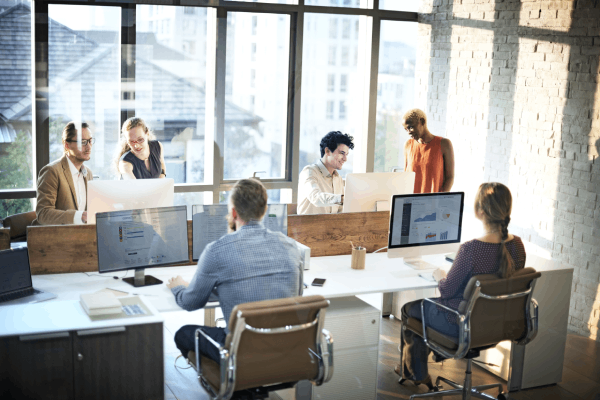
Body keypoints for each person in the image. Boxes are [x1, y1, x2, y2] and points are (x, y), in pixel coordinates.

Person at [397, 182, 526, 389]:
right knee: (423, 311)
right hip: (498, 325)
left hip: (459, 323)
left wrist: (440, 275)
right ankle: (421, 365)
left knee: (409, 310)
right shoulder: (517, 245)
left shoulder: (471, 249)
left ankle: (416, 372)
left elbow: (447, 290)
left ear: (479, 211)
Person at [166, 178, 303, 364]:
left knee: (183, 334)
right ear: (264, 211)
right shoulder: (290, 245)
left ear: (233, 212)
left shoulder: (216, 250)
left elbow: (191, 303)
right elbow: (298, 294)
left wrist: (179, 288)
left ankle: (228, 381)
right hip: (284, 348)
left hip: (240, 351)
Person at [33, 122, 94, 225]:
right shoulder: (51, 171)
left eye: (90, 141)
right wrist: (79, 216)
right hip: (57, 237)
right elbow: (43, 214)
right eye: (83, 142)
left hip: (82, 236)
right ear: (67, 145)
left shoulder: (88, 173)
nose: (88, 147)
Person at [297, 131, 354, 214]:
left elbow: (341, 211)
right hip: (308, 226)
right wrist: (341, 199)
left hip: (331, 226)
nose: (345, 159)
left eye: (346, 154)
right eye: (342, 153)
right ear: (327, 151)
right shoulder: (309, 172)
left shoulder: (338, 178)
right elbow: (315, 198)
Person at [403, 109, 455, 193]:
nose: (408, 132)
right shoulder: (408, 145)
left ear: (422, 121)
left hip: (434, 202)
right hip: (411, 201)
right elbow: (406, 176)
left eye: (411, 127)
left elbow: (450, 177)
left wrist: (441, 198)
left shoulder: (444, 144)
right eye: (406, 129)